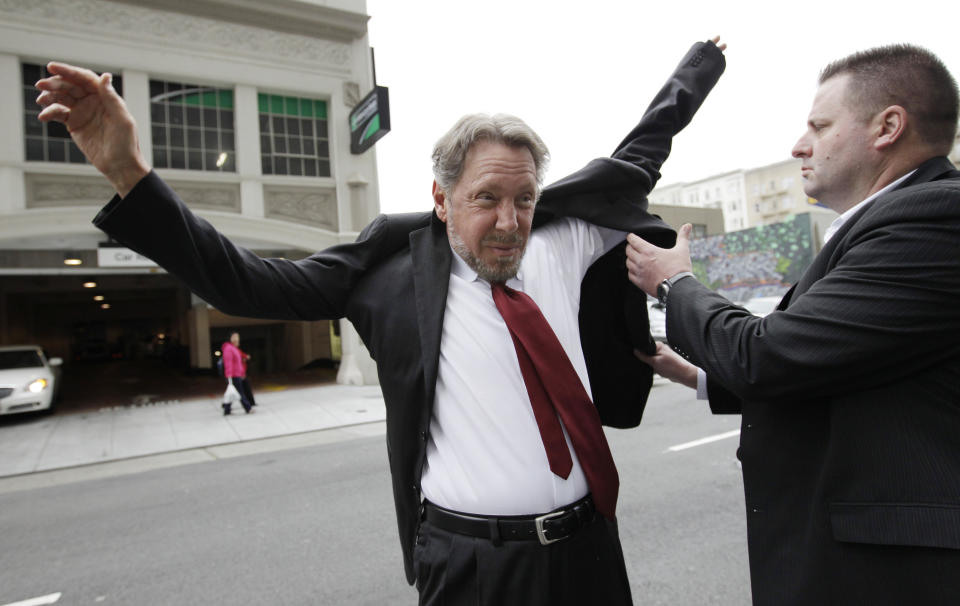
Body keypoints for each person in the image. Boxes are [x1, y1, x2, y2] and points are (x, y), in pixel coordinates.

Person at [36, 38, 726, 604]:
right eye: (487, 198)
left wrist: (698, 69)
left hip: (589, 551)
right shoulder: (389, 275)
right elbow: (247, 280)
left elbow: (638, 155)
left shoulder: (565, 239)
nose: (510, 222)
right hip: (470, 567)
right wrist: (130, 173)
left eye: (524, 198)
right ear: (441, 198)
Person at [625, 44, 960, 605]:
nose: (799, 145)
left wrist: (675, 284)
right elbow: (836, 366)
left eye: (820, 126)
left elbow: (769, 356)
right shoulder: (886, 223)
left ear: (888, 127)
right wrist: (696, 376)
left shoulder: (933, 217)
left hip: (887, 574)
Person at [220, 331, 255, 415]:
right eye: (234, 337)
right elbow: (228, 363)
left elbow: (239, 362)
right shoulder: (228, 349)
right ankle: (248, 408)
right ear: (230, 338)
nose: (236, 339)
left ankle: (227, 409)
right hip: (233, 375)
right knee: (240, 392)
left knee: (232, 392)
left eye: (237, 337)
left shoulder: (234, 349)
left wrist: (242, 372)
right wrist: (229, 375)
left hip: (237, 374)